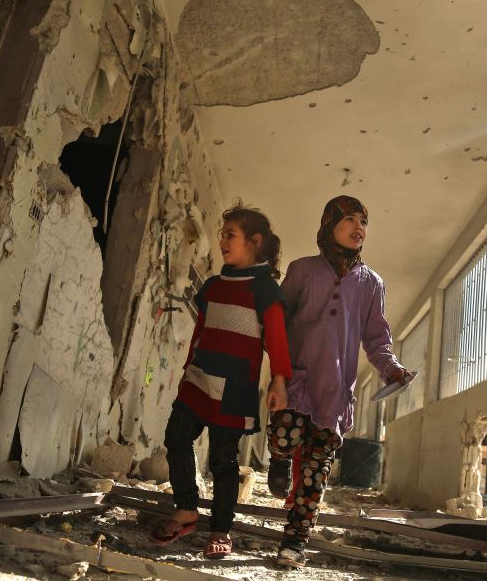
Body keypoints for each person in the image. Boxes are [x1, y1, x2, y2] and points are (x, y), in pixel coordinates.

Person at [266, 195, 411, 568]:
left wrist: (391, 368)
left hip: (334, 393)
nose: (359, 226)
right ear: (329, 224)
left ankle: (295, 542)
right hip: (294, 382)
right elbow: (277, 324)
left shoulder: (372, 284)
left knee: (316, 474)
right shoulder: (302, 270)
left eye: (364, 220)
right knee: (283, 437)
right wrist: (277, 377)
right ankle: (279, 460)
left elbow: (377, 340)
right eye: (349, 218)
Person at [151, 201, 292, 559]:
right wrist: (186, 371)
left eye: (231, 235)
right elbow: (200, 332)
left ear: (255, 242)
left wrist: (279, 380)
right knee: (176, 438)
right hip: (198, 380)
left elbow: (276, 339)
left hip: (235, 387)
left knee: (223, 462)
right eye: (222, 236)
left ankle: (221, 530)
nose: (222, 242)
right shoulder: (213, 285)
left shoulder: (265, 290)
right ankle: (186, 511)